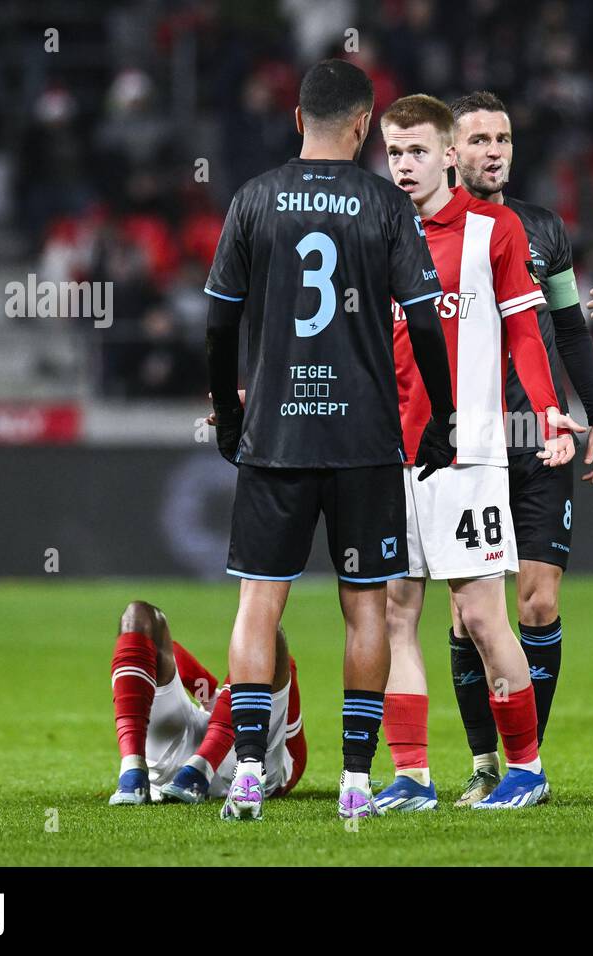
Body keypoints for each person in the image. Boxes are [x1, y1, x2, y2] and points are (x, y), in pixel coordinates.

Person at [204, 60, 458, 821]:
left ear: (297, 120)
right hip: (364, 439)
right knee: (367, 610)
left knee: (258, 605)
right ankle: (355, 780)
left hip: (276, 433)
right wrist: (441, 418)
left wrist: (225, 411)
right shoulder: (385, 203)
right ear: (361, 127)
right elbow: (423, 318)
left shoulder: (253, 199)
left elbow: (218, 322)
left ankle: (248, 769)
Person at [374, 93, 584, 813]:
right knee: (398, 611)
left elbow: (528, 332)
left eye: (417, 152)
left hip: (470, 453)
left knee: (481, 612)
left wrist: (554, 416)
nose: (405, 165)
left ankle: (525, 769)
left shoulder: (495, 229)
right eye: (394, 152)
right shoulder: (379, 232)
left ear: (446, 157)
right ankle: (412, 776)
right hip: (393, 454)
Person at [440, 90, 593, 806]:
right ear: (452, 151)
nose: (494, 151)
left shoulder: (543, 230)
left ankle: (525, 767)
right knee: (465, 616)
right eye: (479, 139)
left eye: (502, 138)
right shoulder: (428, 230)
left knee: (537, 604)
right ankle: (487, 763)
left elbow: (569, 327)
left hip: (540, 441)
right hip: (468, 445)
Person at [107, 601, 305, 806]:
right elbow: (296, 756)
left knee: (138, 616)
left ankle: (136, 778)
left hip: (242, 758)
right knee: (266, 631)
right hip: (243, 756)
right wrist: (209, 694)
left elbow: (175, 654)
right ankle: (143, 769)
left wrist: (207, 692)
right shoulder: (216, 697)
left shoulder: (210, 696)